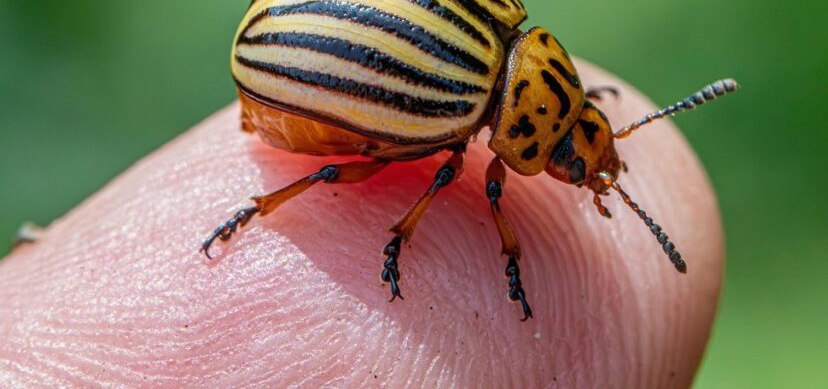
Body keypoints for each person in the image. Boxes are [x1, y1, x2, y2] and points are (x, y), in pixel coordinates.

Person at [0, 61, 724, 387]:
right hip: (294, 78)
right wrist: (418, 239)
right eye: (570, 153)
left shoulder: (510, 48)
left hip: (305, 41)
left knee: (432, 166)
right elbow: (487, 191)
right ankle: (260, 210)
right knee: (342, 175)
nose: (578, 165)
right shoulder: (476, 117)